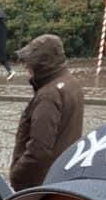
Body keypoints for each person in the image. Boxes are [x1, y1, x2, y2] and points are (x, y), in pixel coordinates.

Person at [9, 33, 84, 191]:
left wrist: (17, 175)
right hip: (61, 173)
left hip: (41, 181)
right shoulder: (71, 83)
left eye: (29, 63)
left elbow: (39, 149)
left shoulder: (49, 95)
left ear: (40, 64)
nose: (26, 67)